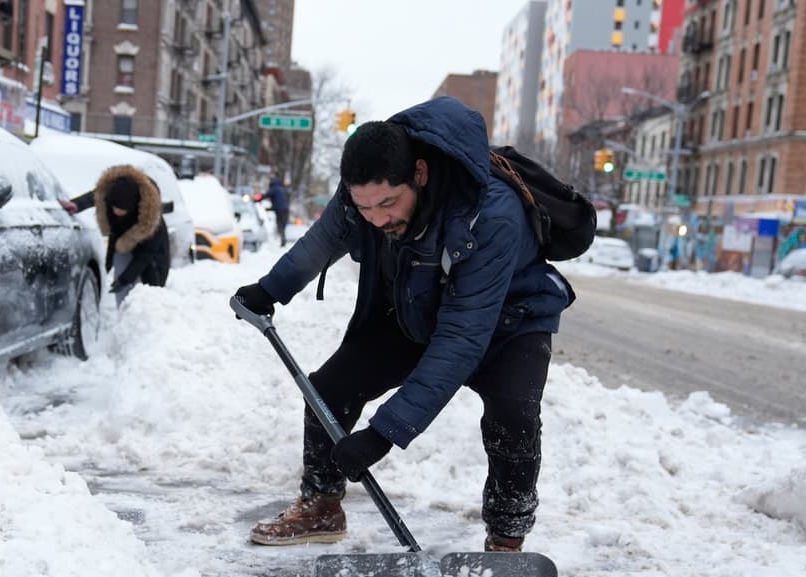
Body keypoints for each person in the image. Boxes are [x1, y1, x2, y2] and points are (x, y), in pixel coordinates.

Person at [233, 96, 575, 552]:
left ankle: (507, 538)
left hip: (509, 321)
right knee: (329, 389)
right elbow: (328, 236)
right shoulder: (366, 192)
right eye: (366, 209)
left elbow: (462, 336)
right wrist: (271, 288)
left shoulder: (489, 214)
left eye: (388, 205)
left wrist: (382, 434)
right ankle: (321, 505)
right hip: (419, 306)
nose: (377, 219)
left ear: (420, 173)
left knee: (513, 417)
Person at [69, 165, 170, 303]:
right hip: (123, 245)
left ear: (133, 206)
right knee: (121, 291)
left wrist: (124, 279)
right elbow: (97, 195)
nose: (116, 212)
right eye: (114, 208)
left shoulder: (151, 221)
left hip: (151, 259)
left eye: (121, 210)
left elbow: (145, 256)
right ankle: (122, 313)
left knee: (148, 295)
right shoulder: (112, 193)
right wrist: (76, 204)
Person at [266, 176, 291, 246]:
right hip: (286, 210)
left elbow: (267, 195)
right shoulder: (283, 189)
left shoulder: (274, 188)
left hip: (279, 210)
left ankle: (283, 240)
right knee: (282, 226)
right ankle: (283, 239)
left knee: (279, 225)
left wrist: (258, 198)